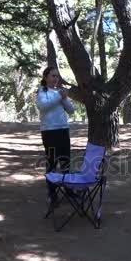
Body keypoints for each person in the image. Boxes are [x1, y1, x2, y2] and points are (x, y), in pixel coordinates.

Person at [36, 67, 75, 202]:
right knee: (52, 162)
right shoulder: (42, 92)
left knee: (66, 161)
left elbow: (71, 110)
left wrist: (64, 98)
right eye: (53, 76)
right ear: (46, 77)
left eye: (57, 76)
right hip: (49, 132)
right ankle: (52, 194)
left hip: (63, 130)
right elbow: (42, 106)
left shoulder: (59, 92)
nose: (56, 79)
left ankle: (69, 190)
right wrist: (59, 96)